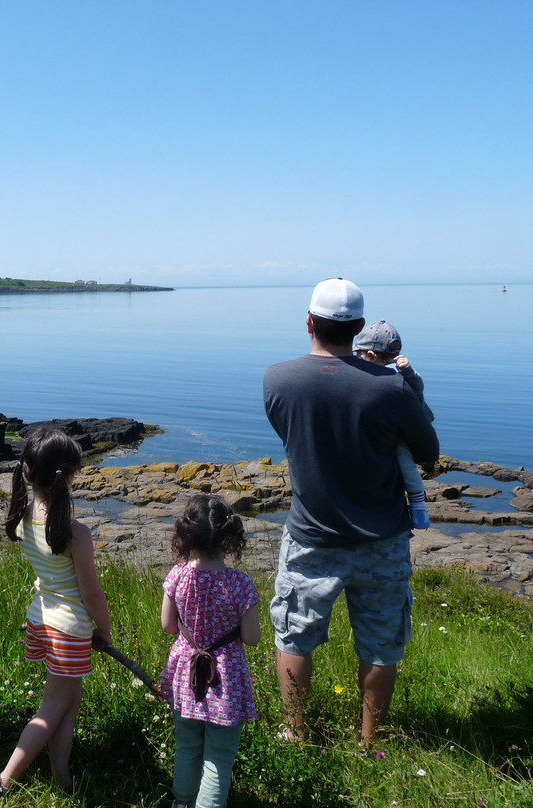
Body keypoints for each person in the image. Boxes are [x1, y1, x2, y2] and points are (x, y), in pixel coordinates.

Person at [262, 278, 438, 745]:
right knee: (381, 645)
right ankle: (370, 742)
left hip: (310, 537)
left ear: (308, 322)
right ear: (359, 328)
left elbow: (291, 433)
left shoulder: (278, 379)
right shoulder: (391, 388)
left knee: (295, 636)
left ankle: (296, 734)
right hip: (383, 539)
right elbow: (428, 452)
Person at [0, 428, 113, 803]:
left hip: (42, 619)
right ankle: (4, 780)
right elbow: (91, 593)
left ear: (27, 471)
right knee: (52, 708)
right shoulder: (75, 533)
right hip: (70, 628)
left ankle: (63, 778)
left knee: (68, 703)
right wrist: (104, 629)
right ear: (68, 476)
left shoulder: (22, 517)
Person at [161, 494, 261, 808]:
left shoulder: (177, 575)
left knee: (187, 745)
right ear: (229, 539)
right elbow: (252, 637)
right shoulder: (241, 584)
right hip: (225, 679)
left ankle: (181, 802)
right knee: (219, 757)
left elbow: (168, 625)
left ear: (186, 535)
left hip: (186, 676)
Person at [353, 319, 436, 530]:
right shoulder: (376, 374)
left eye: (359, 355)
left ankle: (418, 504)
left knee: (405, 463)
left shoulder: (397, 374)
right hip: (391, 427)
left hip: (402, 433)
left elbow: (418, 387)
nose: (357, 359)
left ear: (371, 355)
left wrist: (409, 372)